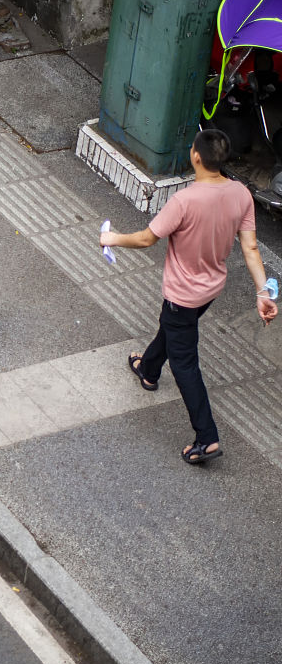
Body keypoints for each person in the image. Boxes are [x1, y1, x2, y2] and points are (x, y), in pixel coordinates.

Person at [101, 128, 277, 464]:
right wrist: (262, 292)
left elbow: (146, 239)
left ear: (196, 156)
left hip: (182, 295)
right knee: (173, 328)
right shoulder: (240, 194)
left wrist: (112, 239)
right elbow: (251, 247)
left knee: (185, 363)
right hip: (210, 290)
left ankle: (206, 438)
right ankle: (148, 369)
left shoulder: (184, 201)